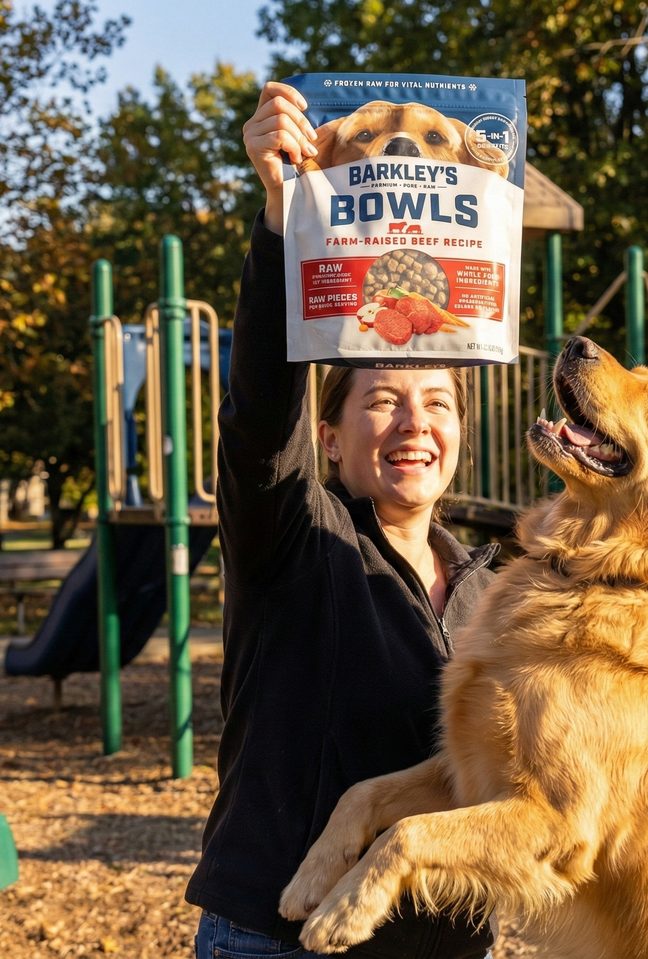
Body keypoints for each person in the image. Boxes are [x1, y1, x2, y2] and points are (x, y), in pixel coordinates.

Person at [186, 81, 498, 959]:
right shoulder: (295, 537)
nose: (415, 424)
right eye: (384, 401)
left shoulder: (492, 588)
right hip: (281, 936)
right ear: (328, 437)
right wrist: (285, 224)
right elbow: (256, 424)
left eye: (438, 403)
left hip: (440, 942)